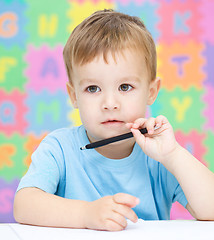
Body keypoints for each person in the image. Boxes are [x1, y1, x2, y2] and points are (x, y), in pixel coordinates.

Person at [14, 9, 214, 231]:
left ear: (151, 91)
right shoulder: (59, 148)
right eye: (93, 88)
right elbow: (24, 205)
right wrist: (85, 214)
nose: (110, 103)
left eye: (125, 87)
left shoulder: (160, 156)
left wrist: (173, 154)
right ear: (74, 96)